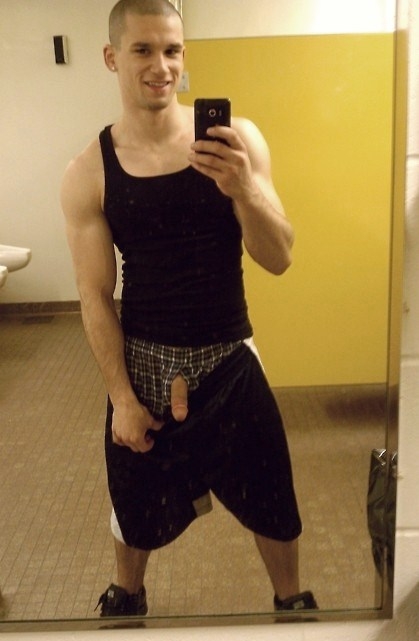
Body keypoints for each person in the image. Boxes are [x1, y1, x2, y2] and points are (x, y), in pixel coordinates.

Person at [61, 0, 317, 618]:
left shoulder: (237, 140)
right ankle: (128, 596)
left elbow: (279, 257)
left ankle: (292, 602)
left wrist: (243, 188)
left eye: (172, 50)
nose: (161, 66)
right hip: (143, 364)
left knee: (272, 497)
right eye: (143, 50)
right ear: (111, 57)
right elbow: (95, 295)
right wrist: (121, 398)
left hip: (230, 355)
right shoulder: (90, 170)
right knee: (131, 501)